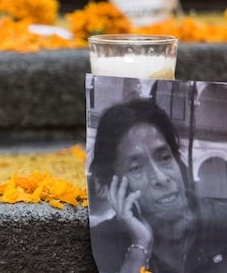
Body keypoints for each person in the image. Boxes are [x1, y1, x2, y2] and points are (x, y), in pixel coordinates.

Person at [88, 99, 227, 273]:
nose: (160, 178)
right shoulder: (102, 242)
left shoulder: (221, 221)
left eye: (164, 158)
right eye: (136, 168)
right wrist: (140, 245)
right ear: (115, 185)